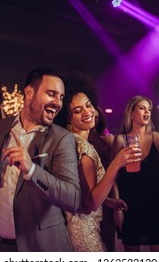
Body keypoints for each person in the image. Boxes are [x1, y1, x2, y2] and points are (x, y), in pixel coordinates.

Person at [0, 67, 81, 252]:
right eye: (51, 94)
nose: (58, 103)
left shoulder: (62, 138)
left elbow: (72, 199)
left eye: (61, 97)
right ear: (29, 93)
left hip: (38, 249)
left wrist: (32, 171)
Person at [54, 72, 137, 252]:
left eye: (88, 105)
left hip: (74, 230)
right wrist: (116, 163)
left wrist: (108, 202)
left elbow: (81, 193)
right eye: (77, 111)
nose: (87, 112)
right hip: (85, 233)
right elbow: (90, 204)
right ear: (67, 119)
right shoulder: (84, 148)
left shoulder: (72, 142)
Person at [111, 95, 159, 252]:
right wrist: (117, 208)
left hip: (154, 204)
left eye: (149, 109)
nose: (147, 112)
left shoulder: (156, 137)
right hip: (130, 205)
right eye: (142, 108)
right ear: (131, 113)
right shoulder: (120, 140)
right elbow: (113, 176)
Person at [88, 105, 121, 252]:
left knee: (108, 241)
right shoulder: (78, 139)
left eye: (95, 117)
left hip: (106, 193)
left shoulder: (106, 139)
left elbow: (113, 173)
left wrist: (115, 205)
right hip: (87, 195)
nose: (92, 119)